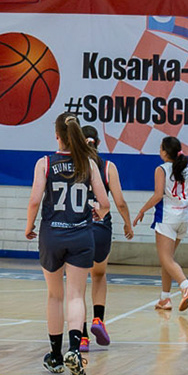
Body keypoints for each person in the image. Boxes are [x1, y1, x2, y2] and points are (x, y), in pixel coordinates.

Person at [26, 113, 109, 375]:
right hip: (81, 235)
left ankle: (55, 355)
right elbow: (105, 203)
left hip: (52, 234)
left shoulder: (45, 163)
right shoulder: (89, 163)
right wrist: (98, 212)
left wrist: (29, 225)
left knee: (55, 296)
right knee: (75, 296)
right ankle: (74, 349)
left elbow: (34, 200)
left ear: (57, 136)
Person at [132, 135, 188, 312]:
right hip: (183, 218)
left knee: (166, 259)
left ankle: (186, 285)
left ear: (165, 152)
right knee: (168, 260)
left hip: (167, 218)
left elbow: (158, 195)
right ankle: (165, 298)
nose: (159, 151)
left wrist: (142, 210)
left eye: (160, 148)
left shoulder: (161, 169)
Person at [80, 126, 133, 344]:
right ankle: (98, 320)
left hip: (77, 228)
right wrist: (128, 224)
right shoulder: (108, 167)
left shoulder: (72, 164)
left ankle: (82, 336)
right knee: (99, 276)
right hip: (101, 227)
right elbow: (119, 202)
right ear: (98, 143)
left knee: (77, 285)